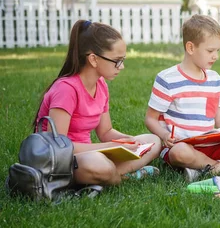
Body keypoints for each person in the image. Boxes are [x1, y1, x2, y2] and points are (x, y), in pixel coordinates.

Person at [34, 20, 162, 186]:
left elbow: (106, 131)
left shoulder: (101, 86)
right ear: (93, 59)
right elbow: (58, 147)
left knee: (153, 140)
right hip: (63, 160)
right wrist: (107, 147)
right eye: (117, 60)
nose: (121, 67)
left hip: (89, 154)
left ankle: (111, 174)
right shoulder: (66, 90)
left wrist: (128, 140)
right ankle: (121, 176)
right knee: (98, 165)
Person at [145, 14, 220, 182]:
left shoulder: (215, 79)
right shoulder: (167, 79)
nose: (215, 56)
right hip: (183, 147)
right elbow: (150, 119)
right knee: (180, 152)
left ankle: (208, 170)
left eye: (218, 50)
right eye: (210, 51)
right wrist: (165, 136)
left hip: (213, 146)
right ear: (190, 48)